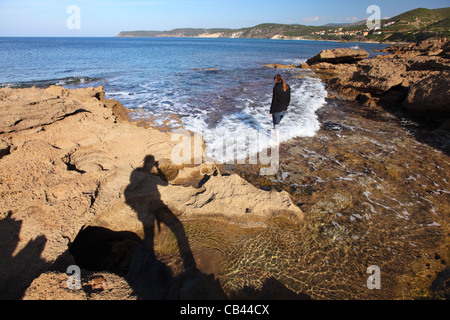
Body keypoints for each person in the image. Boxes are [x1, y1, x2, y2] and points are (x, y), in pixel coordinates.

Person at [270, 74, 290, 145]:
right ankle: (278, 138)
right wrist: (286, 107)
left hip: (277, 110)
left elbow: (274, 101)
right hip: (284, 110)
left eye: (274, 80)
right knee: (277, 125)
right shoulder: (287, 86)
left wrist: (271, 111)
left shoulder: (276, 88)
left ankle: (276, 143)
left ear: (276, 80)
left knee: (276, 126)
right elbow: (288, 99)